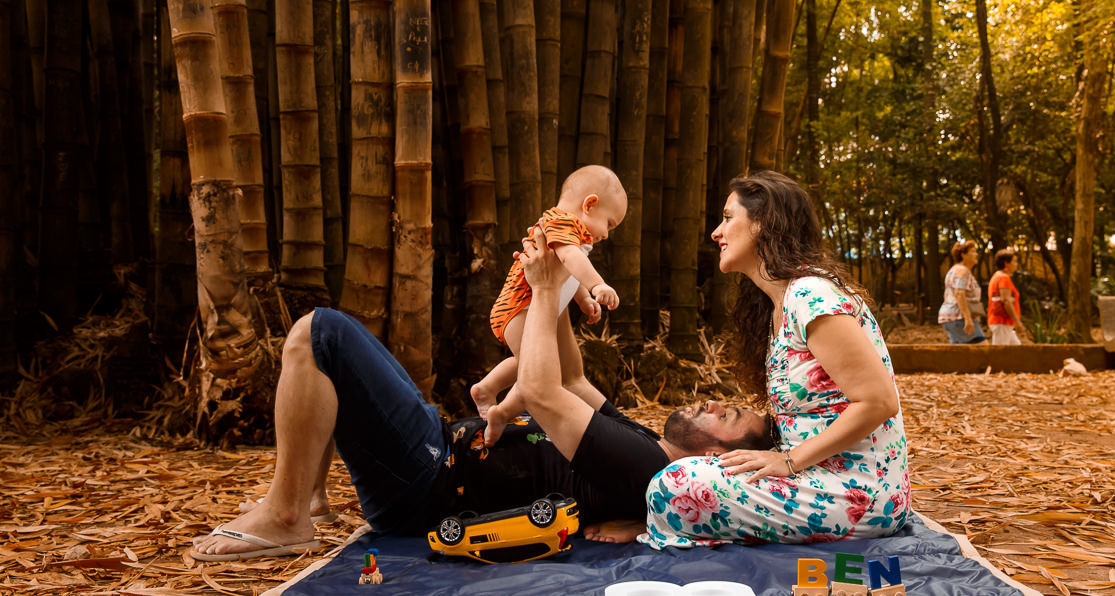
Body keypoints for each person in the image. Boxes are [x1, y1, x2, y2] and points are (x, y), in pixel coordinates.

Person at [190, 225, 773, 562]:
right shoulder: (646, 441)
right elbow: (570, 379)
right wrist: (563, 277)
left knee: (319, 334)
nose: (718, 402)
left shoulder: (649, 469)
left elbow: (542, 391)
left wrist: (545, 294)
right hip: (439, 448)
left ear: (719, 459)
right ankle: (309, 497)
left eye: (733, 417)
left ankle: (288, 513)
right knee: (326, 345)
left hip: (433, 482)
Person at [593, 171, 910, 548]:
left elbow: (878, 402)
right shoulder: (779, 303)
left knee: (678, 483)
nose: (716, 232)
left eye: (728, 218)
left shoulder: (812, 296)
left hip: (860, 491)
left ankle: (662, 525)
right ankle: (672, 523)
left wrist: (787, 461)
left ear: (762, 224)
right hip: (813, 474)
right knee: (687, 475)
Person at [471, 165, 627, 425]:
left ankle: (491, 395)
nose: (607, 234)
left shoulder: (572, 233)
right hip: (518, 308)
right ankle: (497, 404)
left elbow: (567, 270)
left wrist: (583, 299)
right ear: (589, 204)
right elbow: (570, 258)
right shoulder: (561, 222)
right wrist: (597, 285)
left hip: (529, 309)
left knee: (531, 365)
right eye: (609, 223)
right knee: (536, 371)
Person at [937, 240, 986, 344]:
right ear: (963, 255)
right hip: (959, 317)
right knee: (984, 352)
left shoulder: (953, 270)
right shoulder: (963, 271)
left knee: (961, 356)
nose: (976, 254)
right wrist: (968, 319)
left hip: (948, 317)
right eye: (973, 251)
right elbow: (959, 293)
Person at [988, 248, 1025, 345]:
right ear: (1006, 263)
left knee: (1017, 350)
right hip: (1002, 322)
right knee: (999, 355)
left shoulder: (996, 276)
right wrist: (1018, 322)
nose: (1016, 264)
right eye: (1014, 261)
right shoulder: (1004, 278)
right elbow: (1006, 301)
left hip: (1004, 323)